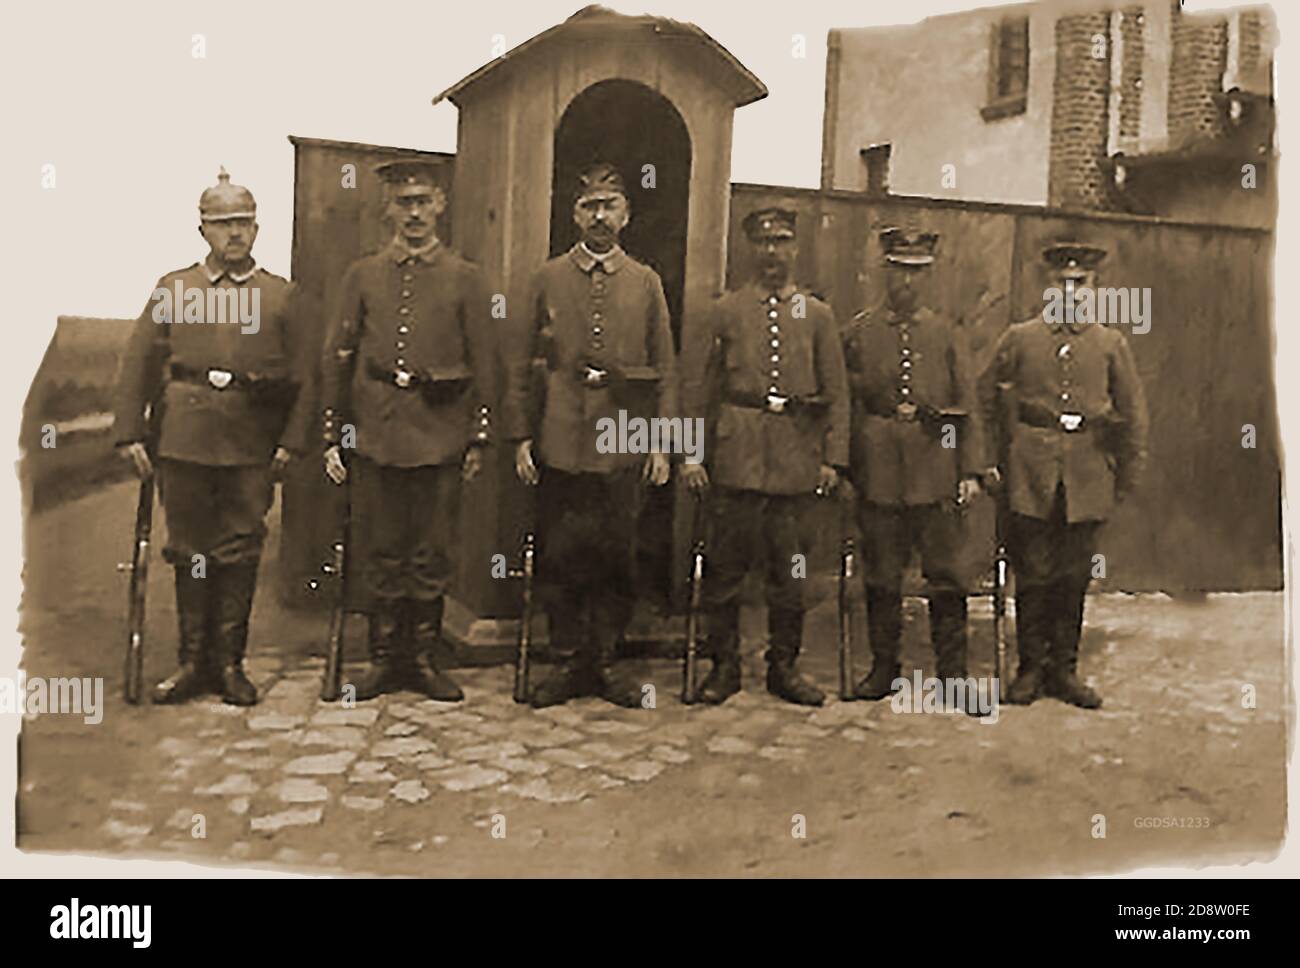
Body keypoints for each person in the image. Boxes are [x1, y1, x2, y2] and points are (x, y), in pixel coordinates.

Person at [112, 169, 312, 705]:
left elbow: (304, 380)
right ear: (202, 229)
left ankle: (229, 663)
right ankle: (191, 661)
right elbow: (138, 364)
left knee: (241, 546)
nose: (234, 233)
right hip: (183, 440)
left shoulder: (281, 296)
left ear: (257, 228)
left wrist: (291, 442)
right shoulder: (174, 289)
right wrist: (129, 431)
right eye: (222, 223)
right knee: (190, 548)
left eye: (243, 222)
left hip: (251, 441)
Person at [320, 160, 496, 702]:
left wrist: (478, 435)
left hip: (439, 434)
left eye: (423, 201)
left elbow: (485, 361)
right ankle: (382, 659)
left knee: (431, 551)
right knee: (382, 551)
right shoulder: (363, 275)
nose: (414, 213)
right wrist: (335, 434)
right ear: (388, 210)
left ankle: (420, 659)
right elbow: (338, 356)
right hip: (377, 434)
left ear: (440, 206)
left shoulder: (466, 277)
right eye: (404, 203)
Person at [503, 163, 676, 709]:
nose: (599, 216)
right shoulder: (547, 278)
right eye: (589, 206)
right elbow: (517, 364)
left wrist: (661, 443)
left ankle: (605, 661)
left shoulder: (646, 282)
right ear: (574, 215)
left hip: (623, 438)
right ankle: (567, 661)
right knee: (562, 552)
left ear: (627, 216)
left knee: (616, 554)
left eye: (610, 206)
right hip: (560, 436)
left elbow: (666, 368)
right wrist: (520, 437)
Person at [680, 206, 849, 706]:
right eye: (763, 242)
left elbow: (837, 393)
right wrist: (692, 454)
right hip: (736, 459)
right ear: (750, 249)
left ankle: (784, 667)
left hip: (797, 463)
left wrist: (833, 462)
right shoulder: (726, 310)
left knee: (790, 575)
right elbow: (699, 389)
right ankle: (724, 666)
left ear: (795, 249)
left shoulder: (816, 314)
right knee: (724, 572)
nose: (772, 252)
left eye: (781, 242)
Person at [979, 240, 1149, 708]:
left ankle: (1064, 669)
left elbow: (1133, 413)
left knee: (1074, 575)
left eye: (1081, 283)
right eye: (1062, 282)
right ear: (1046, 285)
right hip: (1030, 471)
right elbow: (984, 399)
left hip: (1089, 470)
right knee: (1032, 571)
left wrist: (1127, 473)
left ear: (1094, 288)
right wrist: (988, 462)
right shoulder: (1019, 338)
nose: (1071, 290)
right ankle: (1030, 667)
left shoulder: (1111, 344)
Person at [843, 226, 986, 706]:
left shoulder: (947, 334)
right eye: (900, 272)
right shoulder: (859, 332)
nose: (908, 283)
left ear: (928, 277)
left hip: (936, 471)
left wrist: (969, 470)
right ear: (886, 272)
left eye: (917, 274)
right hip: (879, 472)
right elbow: (846, 406)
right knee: (881, 575)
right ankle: (883, 669)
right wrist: (846, 466)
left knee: (947, 575)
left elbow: (968, 406)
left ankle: (953, 675)